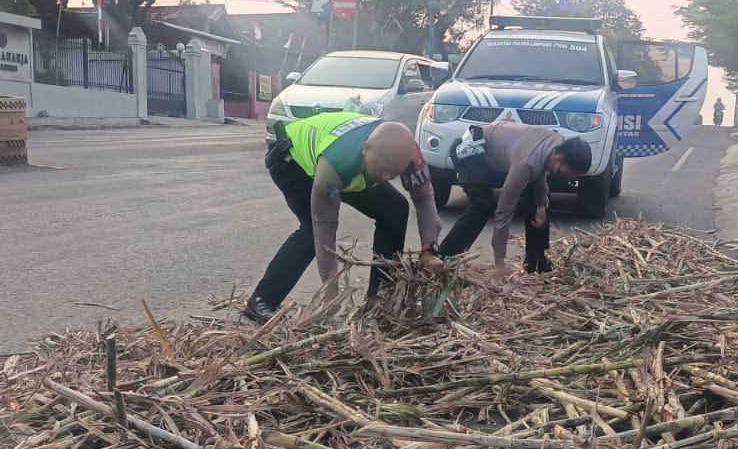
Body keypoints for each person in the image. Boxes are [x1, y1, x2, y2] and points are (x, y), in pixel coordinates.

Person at [244, 111, 443, 323]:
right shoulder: (338, 161)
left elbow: (424, 198)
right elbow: (325, 225)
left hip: (352, 163)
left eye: (394, 173)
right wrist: (331, 288)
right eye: (384, 169)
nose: (386, 177)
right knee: (312, 230)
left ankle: (379, 300)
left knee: (395, 210)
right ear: (366, 149)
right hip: (291, 158)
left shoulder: (408, 154)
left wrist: (429, 250)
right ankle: (262, 301)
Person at [436, 122, 591, 275]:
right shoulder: (525, 165)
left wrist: (541, 206)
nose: (571, 178)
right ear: (558, 158)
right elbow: (504, 210)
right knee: (482, 205)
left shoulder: (557, 143)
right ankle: (446, 257)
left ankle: (536, 261)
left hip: (504, 154)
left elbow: (540, 171)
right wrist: (500, 263)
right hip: (472, 149)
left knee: (538, 204)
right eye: (571, 173)